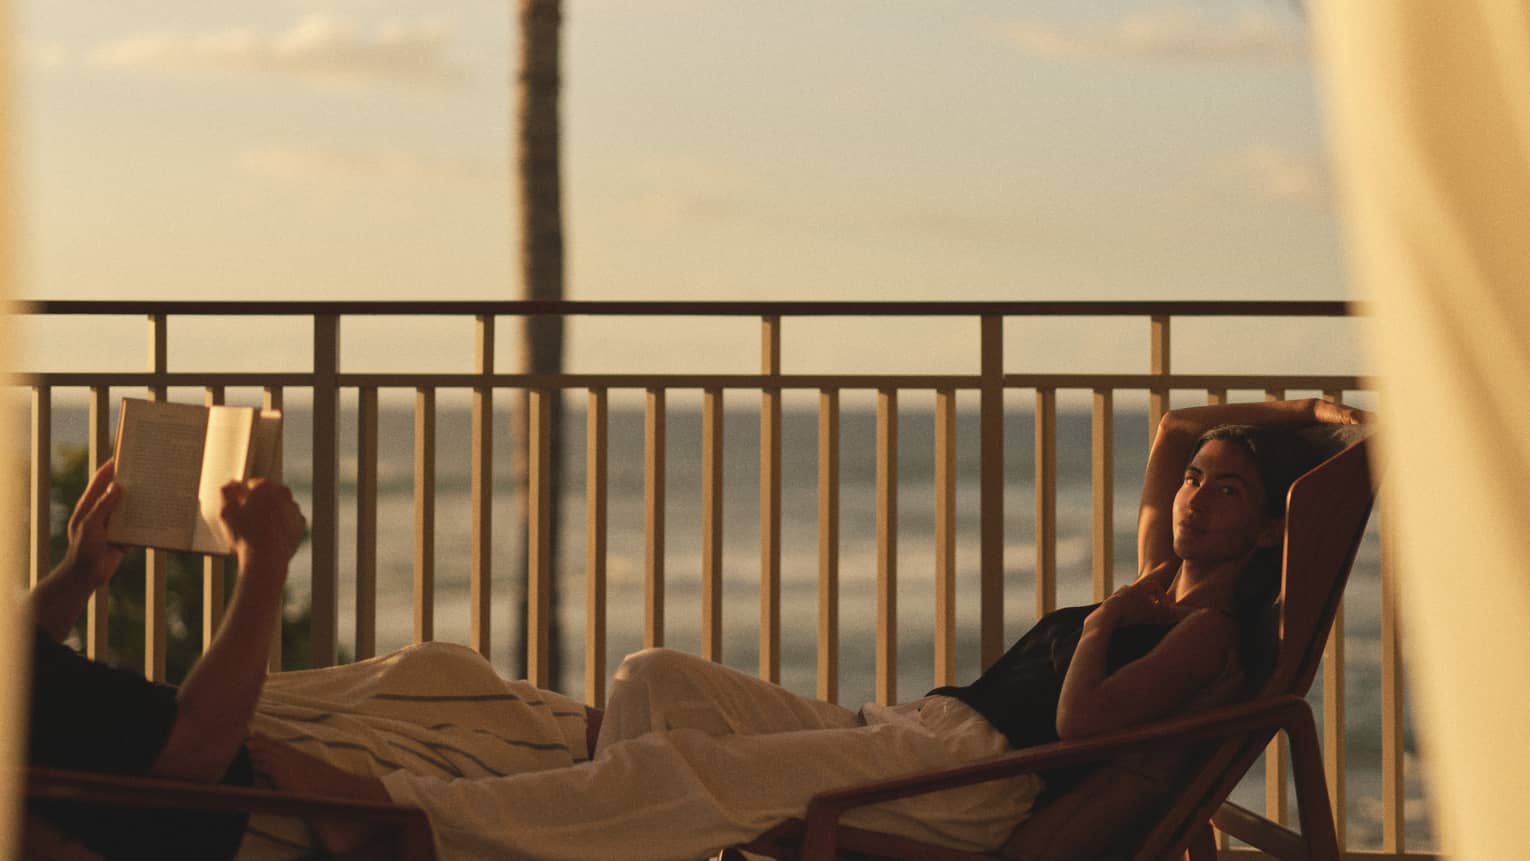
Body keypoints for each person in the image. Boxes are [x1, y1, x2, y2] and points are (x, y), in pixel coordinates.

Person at [248, 398, 1369, 861]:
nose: (1191, 497)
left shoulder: (1204, 632)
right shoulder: (1163, 578)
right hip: (920, 728)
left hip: (977, 780)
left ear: (1269, 529)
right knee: (656, 679)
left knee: (686, 770)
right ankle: (575, 837)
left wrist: (1109, 619)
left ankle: (410, 821)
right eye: (1195, 484)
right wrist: (1280, 427)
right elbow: (1172, 433)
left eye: (1227, 491)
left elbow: (1083, 718)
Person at [23, 461, 307, 861]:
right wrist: (266, 558)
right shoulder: (46, 705)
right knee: (422, 773)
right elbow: (197, 751)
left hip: (237, 734)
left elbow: (23, 662)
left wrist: (78, 574)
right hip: (267, 811)